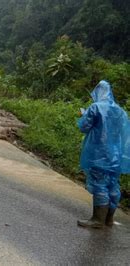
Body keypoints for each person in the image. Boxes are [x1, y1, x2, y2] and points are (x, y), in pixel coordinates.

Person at [77, 80, 130, 229]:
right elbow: (122, 132)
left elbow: (84, 126)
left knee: (99, 184)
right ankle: (109, 219)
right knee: (113, 185)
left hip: (98, 152)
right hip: (115, 154)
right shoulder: (120, 111)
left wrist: (83, 114)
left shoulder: (95, 107)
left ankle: (97, 219)